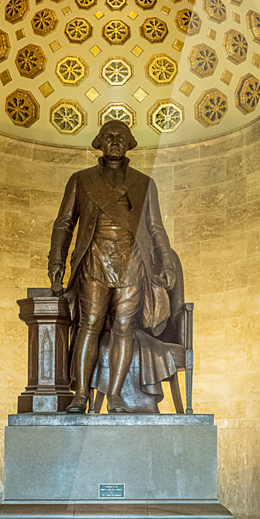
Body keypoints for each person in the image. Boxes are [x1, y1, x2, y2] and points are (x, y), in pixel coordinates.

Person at [48, 121, 176, 413]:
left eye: (121, 137)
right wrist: (56, 260)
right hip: (94, 259)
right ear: (99, 142)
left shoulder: (144, 183)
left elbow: (156, 227)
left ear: (130, 143)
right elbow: (64, 224)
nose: (115, 141)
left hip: (133, 264)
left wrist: (166, 260)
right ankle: (80, 394)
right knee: (89, 325)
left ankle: (115, 395)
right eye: (108, 136)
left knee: (123, 328)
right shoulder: (81, 180)